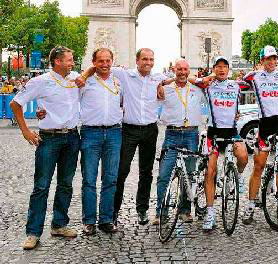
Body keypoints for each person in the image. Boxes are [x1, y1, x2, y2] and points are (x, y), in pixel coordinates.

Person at [80, 48, 166, 226]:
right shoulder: (123, 75)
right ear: (137, 60)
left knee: (146, 172)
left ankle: (142, 209)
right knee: (120, 172)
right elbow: (99, 67)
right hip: (128, 129)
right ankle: (114, 211)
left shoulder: (157, 77)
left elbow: (179, 77)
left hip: (150, 129)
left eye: (151, 59)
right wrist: (84, 75)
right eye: (144, 59)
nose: (147, 62)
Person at [10, 46, 82, 250]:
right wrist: (25, 131)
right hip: (49, 139)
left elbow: (92, 71)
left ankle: (59, 225)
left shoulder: (74, 77)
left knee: (66, 184)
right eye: (69, 60)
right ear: (57, 61)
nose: (72, 63)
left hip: (72, 137)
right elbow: (16, 104)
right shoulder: (39, 82)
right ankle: (33, 232)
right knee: (41, 186)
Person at [186, 55, 249, 230]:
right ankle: (210, 212)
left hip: (231, 131)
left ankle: (236, 178)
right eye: (218, 66)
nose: (221, 69)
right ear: (214, 68)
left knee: (243, 156)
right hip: (214, 133)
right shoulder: (208, 85)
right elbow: (189, 79)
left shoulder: (236, 85)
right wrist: (207, 78)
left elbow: (253, 78)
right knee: (210, 173)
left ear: (229, 69)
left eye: (224, 67)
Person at [241, 45, 278, 225]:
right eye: (268, 59)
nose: (271, 62)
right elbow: (242, 80)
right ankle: (250, 205)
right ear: (262, 61)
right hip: (265, 125)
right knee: (258, 166)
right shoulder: (254, 76)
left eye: (274, 58)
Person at [152, 59, 206, 225]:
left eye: (185, 69)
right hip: (172, 134)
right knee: (164, 175)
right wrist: (164, 81)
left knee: (189, 174)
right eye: (179, 69)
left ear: (189, 70)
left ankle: (184, 210)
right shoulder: (165, 89)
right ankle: (161, 212)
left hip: (191, 134)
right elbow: (151, 82)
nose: (182, 72)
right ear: (173, 70)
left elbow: (212, 83)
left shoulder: (197, 90)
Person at [78, 48, 123, 234]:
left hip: (114, 133)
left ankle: (106, 219)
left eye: (108, 60)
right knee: (89, 179)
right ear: (93, 62)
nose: (104, 64)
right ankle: (89, 220)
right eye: (100, 61)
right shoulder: (84, 81)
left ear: (112, 61)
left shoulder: (119, 81)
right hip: (91, 133)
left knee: (110, 179)